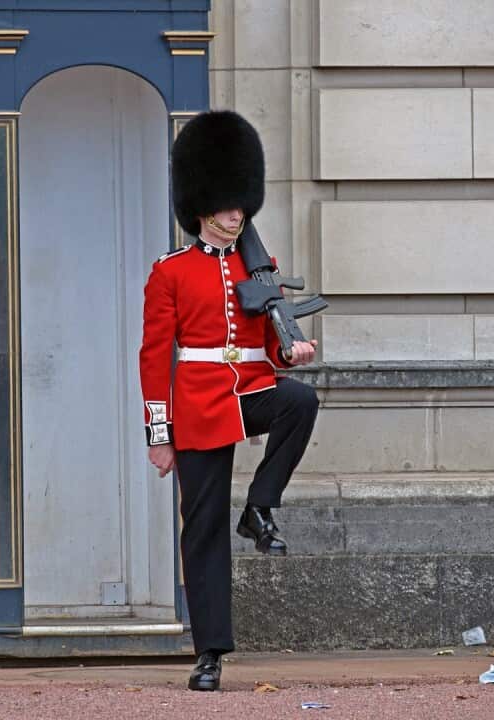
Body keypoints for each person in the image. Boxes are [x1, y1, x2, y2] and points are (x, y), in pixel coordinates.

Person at [139, 111, 320, 692]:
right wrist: (159, 434)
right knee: (204, 529)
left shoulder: (257, 267)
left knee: (300, 400)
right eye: (224, 204)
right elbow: (154, 356)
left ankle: (260, 507)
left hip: (251, 391)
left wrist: (294, 351)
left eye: (239, 203)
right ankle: (210, 652)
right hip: (195, 405)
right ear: (201, 207)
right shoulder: (171, 271)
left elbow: (270, 339)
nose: (235, 213)